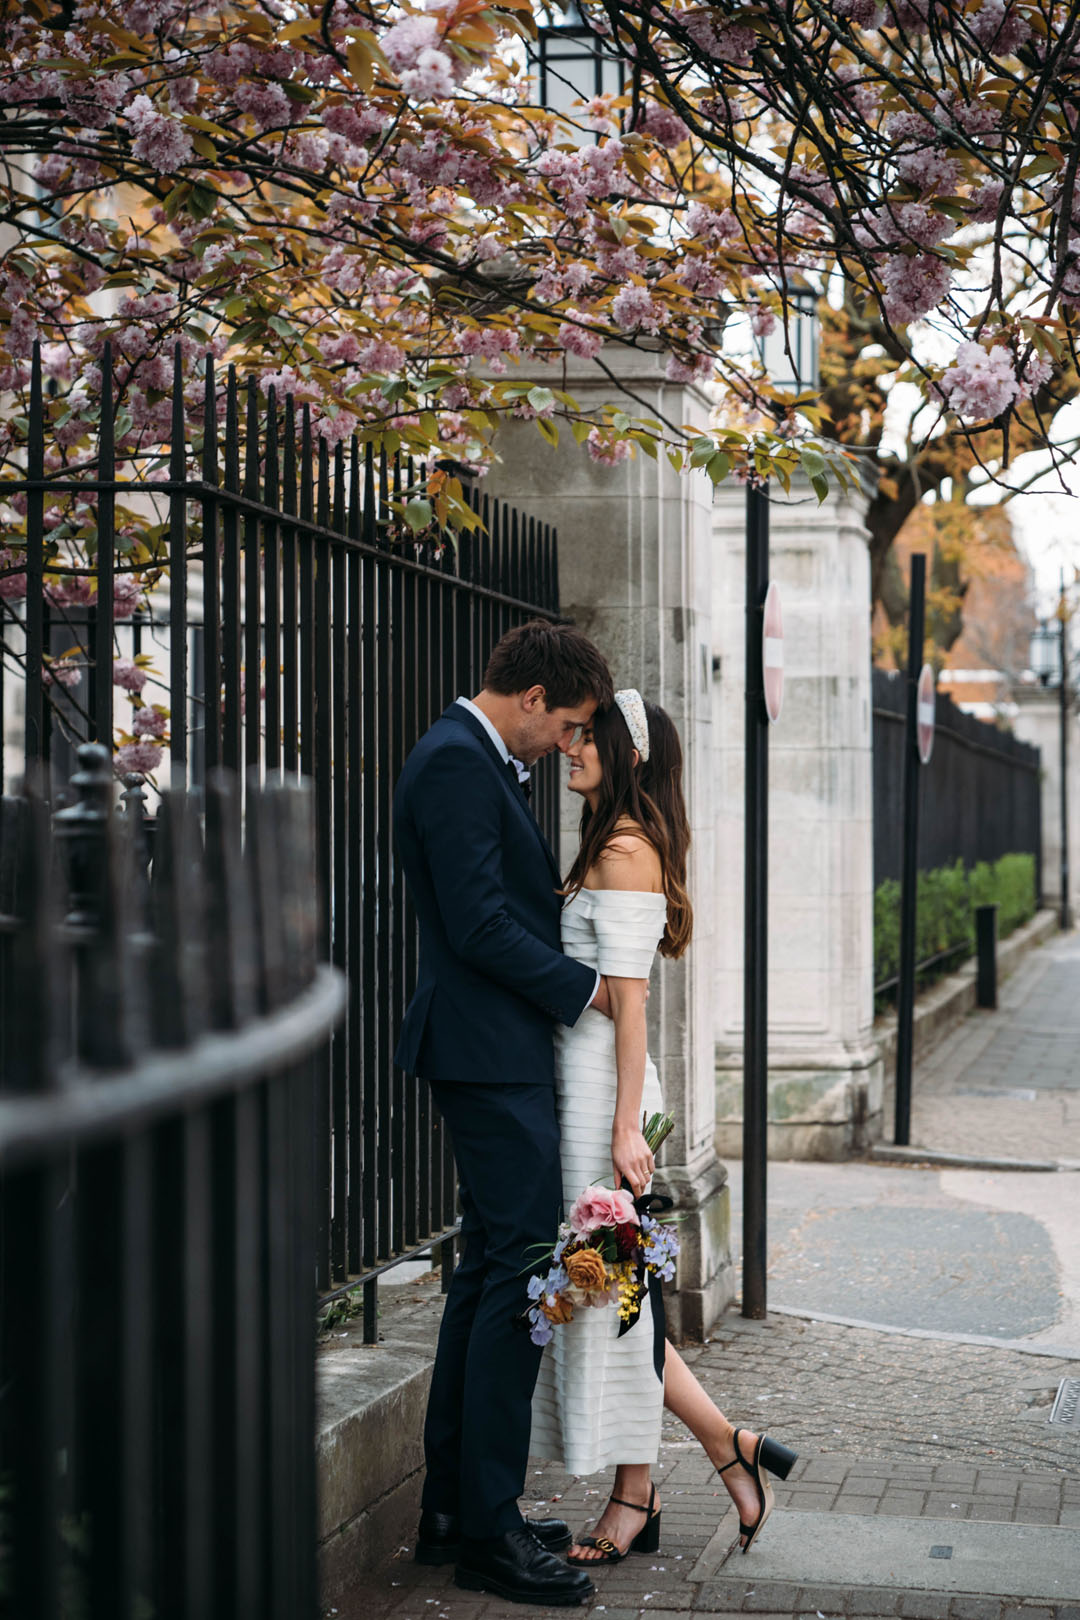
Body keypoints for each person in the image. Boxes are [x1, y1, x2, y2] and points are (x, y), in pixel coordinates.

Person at [529, 693, 798, 1564]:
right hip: (591, 1090)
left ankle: (645, 1492)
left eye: (585, 736)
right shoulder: (609, 845)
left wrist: (621, 1131)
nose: (569, 745)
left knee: (608, 1297)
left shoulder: (626, 851)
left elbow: (631, 1006)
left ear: (627, 754)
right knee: (613, 1295)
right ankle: (725, 1451)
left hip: (605, 1097)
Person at [392, 619, 615, 1607]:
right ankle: (487, 1527)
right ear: (532, 700)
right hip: (486, 1056)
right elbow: (479, 923)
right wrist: (586, 989)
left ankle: (458, 1512)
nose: (566, 746)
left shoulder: (476, 761)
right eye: (566, 726)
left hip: (496, 1052)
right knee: (523, 1282)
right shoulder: (452, 762)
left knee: (492, 1271)